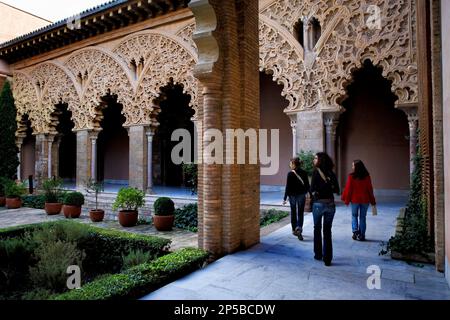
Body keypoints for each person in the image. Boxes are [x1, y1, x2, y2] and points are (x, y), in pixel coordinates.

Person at [310, 152, 340, 266]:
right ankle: (328, 259)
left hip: (318, 204)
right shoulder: (332, 173)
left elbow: (312, 188)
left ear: (320, 160)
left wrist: (317, 191)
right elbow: (337, 190)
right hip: (330, 205)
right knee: (327, 231)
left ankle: (318, 254)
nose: (314, 160)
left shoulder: (316, 172)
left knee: (317, 228)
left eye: (316, 158)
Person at [341, 160, 376, 241]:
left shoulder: (351, 176)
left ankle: (355, 232)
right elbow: (370, 189)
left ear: (357, 167)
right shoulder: (367, 176)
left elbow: (349, 189)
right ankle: (362, 235)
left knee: (354, 216)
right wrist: (373, 201)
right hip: (365, 200)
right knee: (363, 217)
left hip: (355, 200)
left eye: (353, 166)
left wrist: (346, 200)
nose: (352, 167)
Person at [283, 158, 310, 241]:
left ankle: (294, 229)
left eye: (291, 164)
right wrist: (307, 193)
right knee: (300, 213)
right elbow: (307, 185)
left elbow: (288, 187)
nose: (290, 165)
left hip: (292, 196)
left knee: (293, 212)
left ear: (294, 164)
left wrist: (285, 198)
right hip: (301, 195)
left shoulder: (290, 174)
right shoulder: (304, 173)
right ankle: (299, 228)